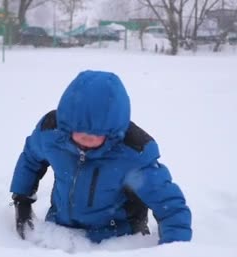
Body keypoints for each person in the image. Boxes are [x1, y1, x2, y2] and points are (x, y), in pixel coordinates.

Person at [10, 70, 192, 244]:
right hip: (61, 231)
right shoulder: (51, 134)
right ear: (67, 123)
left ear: (114, 129)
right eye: (80, 130)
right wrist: (22, 200)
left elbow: (169, 205)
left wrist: (173, 251)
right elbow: (30, 159)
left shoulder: (132, 155)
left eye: (97, 133)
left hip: (118, 240)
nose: (86, 138)